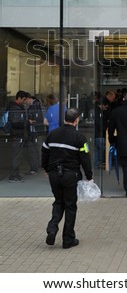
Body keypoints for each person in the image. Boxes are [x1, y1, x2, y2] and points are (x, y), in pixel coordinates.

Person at [41, 108, 93, 249]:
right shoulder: (79, 138)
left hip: (54, 175)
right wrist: (89, 176)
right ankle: (68, 239)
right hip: (71, 175)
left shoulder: (52, 134)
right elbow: (85, 158)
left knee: (59, 201)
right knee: (70, 205)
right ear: (76, 121)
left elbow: (44, 152)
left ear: (65, 119)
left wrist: (46, 168)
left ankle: (52, 228)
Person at [7, 90, 28, 182]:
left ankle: (16, 174)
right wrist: (27, 122)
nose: (24, 101)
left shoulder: (17, 107)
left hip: (18, 134)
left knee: (18, 155)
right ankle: (13, 175)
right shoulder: (15, 108)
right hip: (17, 134)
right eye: (23, 99)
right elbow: (16, 122)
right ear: (19, 98)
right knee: (16, 155)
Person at [25, 93, 45, 175]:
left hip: (36, 131)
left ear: (28, 98)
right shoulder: (37, 105)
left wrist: (30, 121)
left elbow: (38, 119)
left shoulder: (35, 106)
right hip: (37, 131)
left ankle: (35, 167)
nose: (25, 102)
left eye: (25, 100)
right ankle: (38, 166)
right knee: (37, 149)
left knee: (35, 150)